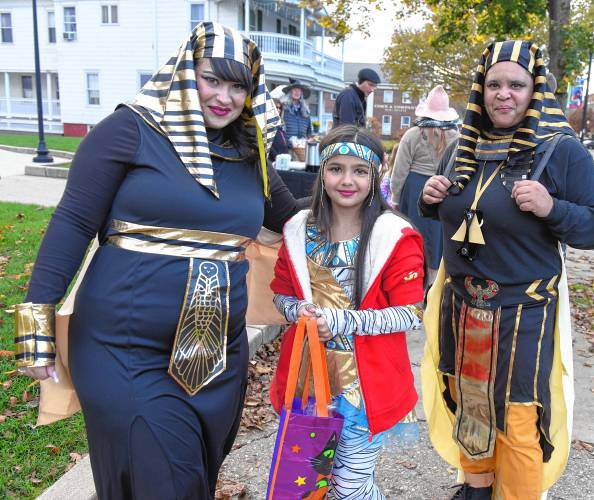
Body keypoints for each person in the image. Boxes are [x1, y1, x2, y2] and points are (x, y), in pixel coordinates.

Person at [10, 22, 300, 498]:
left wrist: (373, 206)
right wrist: (33, 326)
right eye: (213, 79)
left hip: (216, 358)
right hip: (123, 349)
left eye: (238, 85)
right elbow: (73, 222)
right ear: (187, 73)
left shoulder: (252, 153)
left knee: (192, 477)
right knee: (165, 481)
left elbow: (296, 222)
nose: (224, 97)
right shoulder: (130, 130)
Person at [419, 40, 594, 500]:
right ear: (480, 91)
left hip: (523, 310)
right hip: (461, 303)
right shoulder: (462, 147)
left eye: (516, 85)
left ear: (535, 91)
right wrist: (430, 200)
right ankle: (476, 490)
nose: (503, 94)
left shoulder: (560, 151)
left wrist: (553, 208)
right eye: (493, 84)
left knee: (519, 419)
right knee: (470, 407)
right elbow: (461, 218)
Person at [269, 124, 425, 498]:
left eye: (359, 170)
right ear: (321, 172)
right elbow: (280, 295)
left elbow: (411, 313)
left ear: (376, 175)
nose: (347, 180)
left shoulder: (394, 236)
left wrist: (341, 320)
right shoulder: (296, 230)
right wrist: (299, 310)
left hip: (365, 385)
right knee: (307, 482)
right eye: (336, 168)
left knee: (348, 484)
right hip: (308, 379)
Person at [391, 84, 459, 284]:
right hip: (443, 189)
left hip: (415, 188)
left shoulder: (412, 134)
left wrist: (396, 197)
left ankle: (410, 276)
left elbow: (400, 169)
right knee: (437, 238)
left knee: (413, 233)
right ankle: (434, 281)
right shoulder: (457, 137)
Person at [282, 79, 313, 161]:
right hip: (287, 151)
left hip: (302, 151)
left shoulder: (306, 112)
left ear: (301, 93)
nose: (297, 92)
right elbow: (280, 131)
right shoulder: (284, 110)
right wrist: (289, 143)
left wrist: (309, 139)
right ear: (290, 92)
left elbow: (309, 132)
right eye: (294, 89)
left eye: (299, 90)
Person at [269, 85, 290, 161]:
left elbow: (284, 142)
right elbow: (268, 146)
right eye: (276, 107)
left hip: (283, 160)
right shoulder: (267, 125)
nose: (278, 110)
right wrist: (277, 158)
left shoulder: (280, 125)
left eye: (279, 108)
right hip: (273, 162)